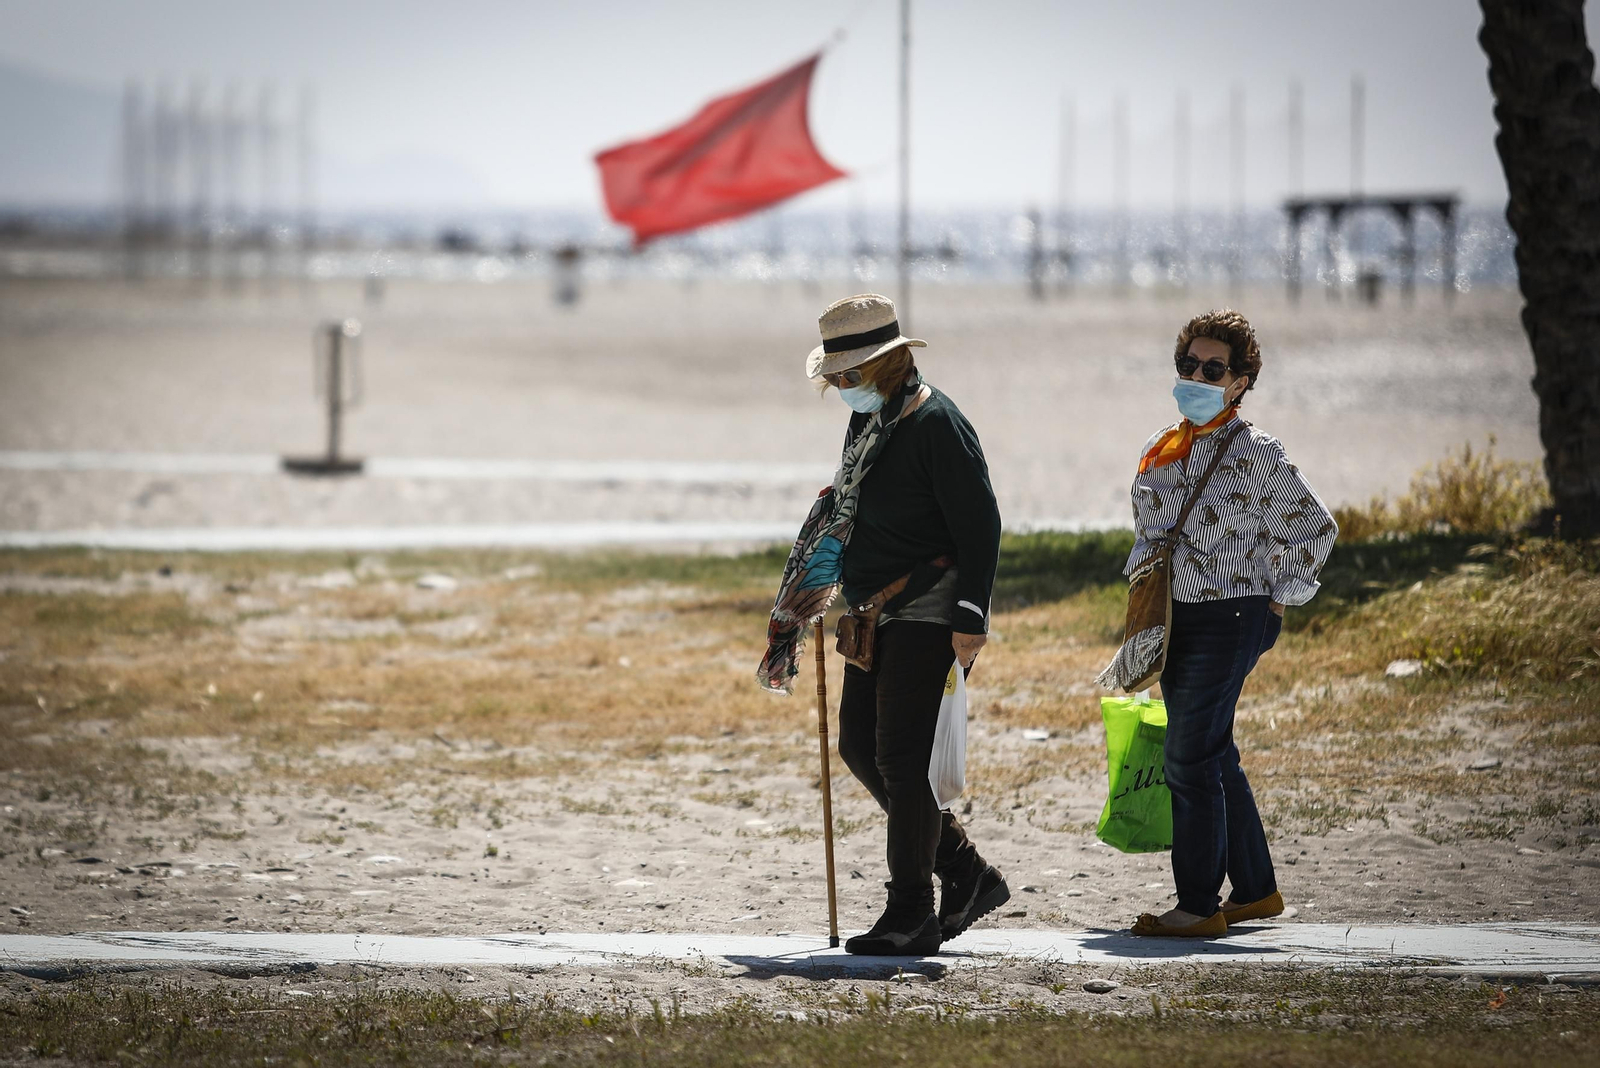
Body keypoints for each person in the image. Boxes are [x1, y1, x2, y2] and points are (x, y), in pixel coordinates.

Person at [758, 293, 1009, 956]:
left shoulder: (936, 424)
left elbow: (981, 524)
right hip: (875, 612)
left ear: (885, 363)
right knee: (861, 749)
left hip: (930, 607)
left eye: (848, 375)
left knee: (902, 758)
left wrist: (973, 615)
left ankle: (911, 915)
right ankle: (963, 870)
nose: (840, 387)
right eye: (835, 377)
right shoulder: (873, 422)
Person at [1114, 309, 1336, 938]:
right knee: (1214, 752)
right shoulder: (1163, 447)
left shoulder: (1257, 451)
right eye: (1188, 365)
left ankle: (1198, 905)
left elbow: (1315, 529)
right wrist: (1142, 605)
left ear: (1241, 381)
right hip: (1173, 619)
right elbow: (1149, 536)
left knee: (1189, 757)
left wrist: (1279, 598)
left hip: (1234, 616)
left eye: (1214, 369)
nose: (1197, 376)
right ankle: (1257, 890)